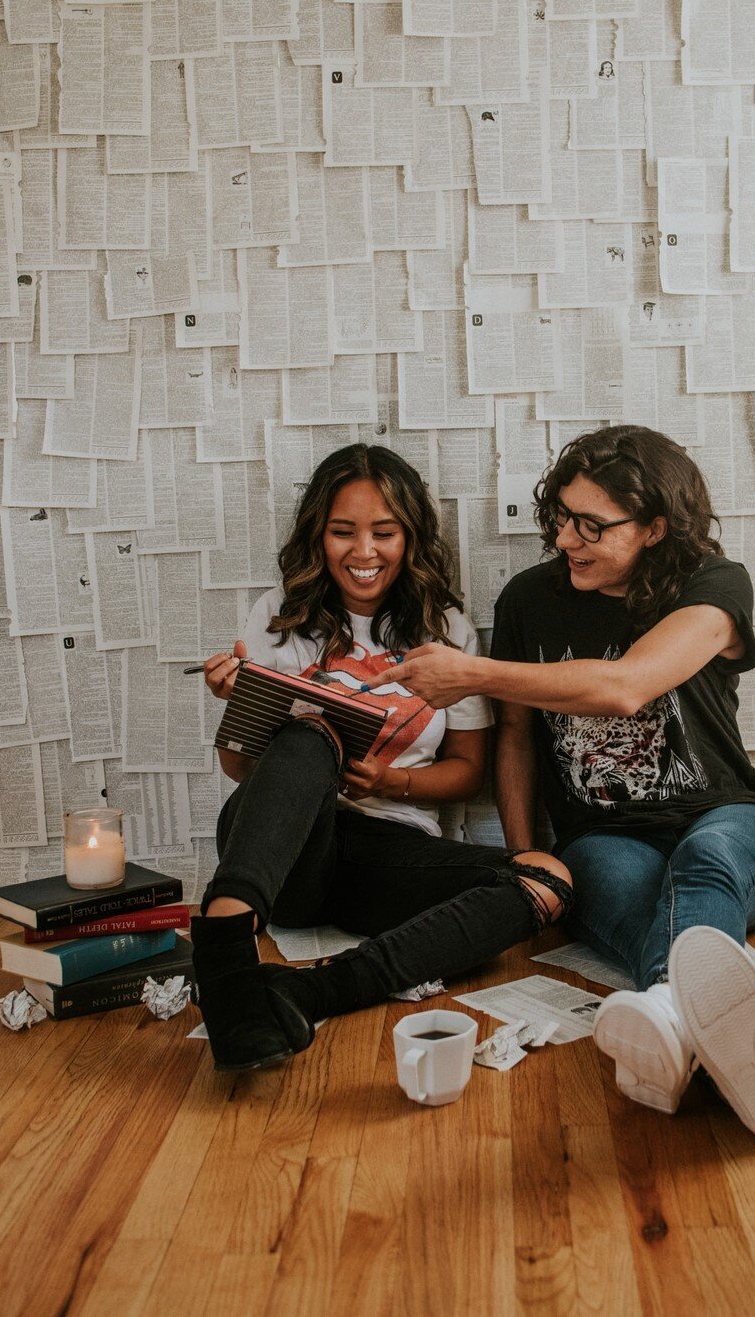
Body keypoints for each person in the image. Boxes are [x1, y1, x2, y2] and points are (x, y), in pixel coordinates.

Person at [379, 426, 755, 1148]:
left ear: (654, 527)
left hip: (732, 821)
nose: (566, 539)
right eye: (560, 518)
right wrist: (525, 857)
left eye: (591, 525)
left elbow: (626, 687)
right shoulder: (529, 600)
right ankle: (705, 1045)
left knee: (703, 864)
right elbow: (515, 737)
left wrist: (474, 673)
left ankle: (671, 1014)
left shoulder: (712, 585)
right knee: (638, 901)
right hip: (605, 837)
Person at [193, 444, 572, 1072]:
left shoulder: (447, 630)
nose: (363, 552)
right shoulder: (279, 617)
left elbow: (469, 772)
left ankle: (309, 991)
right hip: (286, 854)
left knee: (547, 879)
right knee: (312, 734)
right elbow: (241, 774)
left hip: (387, 854)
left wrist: (389, 781)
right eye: (343, 532)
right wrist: (242, 706)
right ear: (319, 536)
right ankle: (226, 958)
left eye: (383, 533)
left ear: (410, 537)